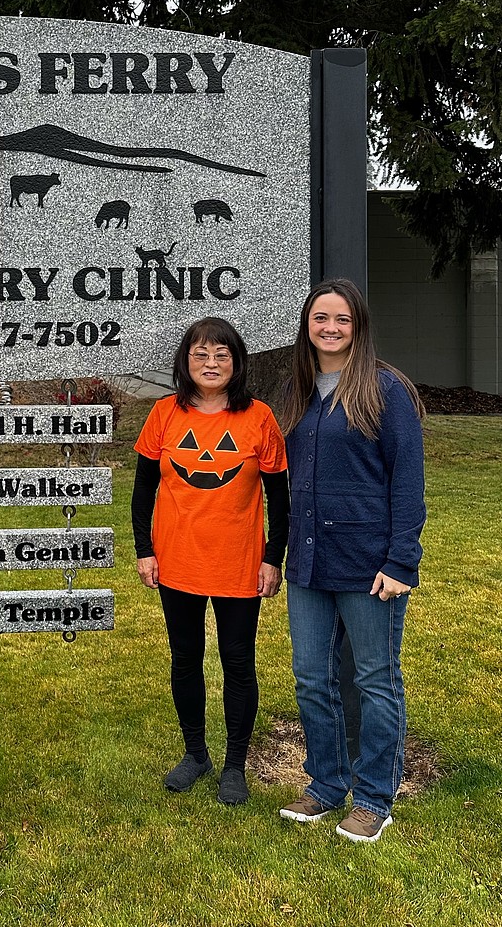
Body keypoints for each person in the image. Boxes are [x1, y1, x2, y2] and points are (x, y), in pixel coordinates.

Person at [278, 278, 425, 844]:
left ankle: (373, 797)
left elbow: (408, 485)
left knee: (374, 680)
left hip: (369, 567)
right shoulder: (298, 392)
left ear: (358, 326)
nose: (331, 328)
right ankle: (325, 783)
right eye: (320, 318)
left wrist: (401, 561)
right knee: (313, 679)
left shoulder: (386, 391)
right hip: (309, 565)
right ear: (307, 326)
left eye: (342, 319)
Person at [132, 318, 289, 805]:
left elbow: (279, 497)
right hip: (177, 559)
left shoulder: (258, 417)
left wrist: (272, 558)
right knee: (186, 659)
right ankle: (195, 752)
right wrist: (144, 549)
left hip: (238, 562)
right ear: (186, 361)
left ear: (237, 363)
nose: (211, 363)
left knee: (238, 662)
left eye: (222, 354)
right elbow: (142, 491)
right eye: (201, 354)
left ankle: (234, 764)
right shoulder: (164, 413)